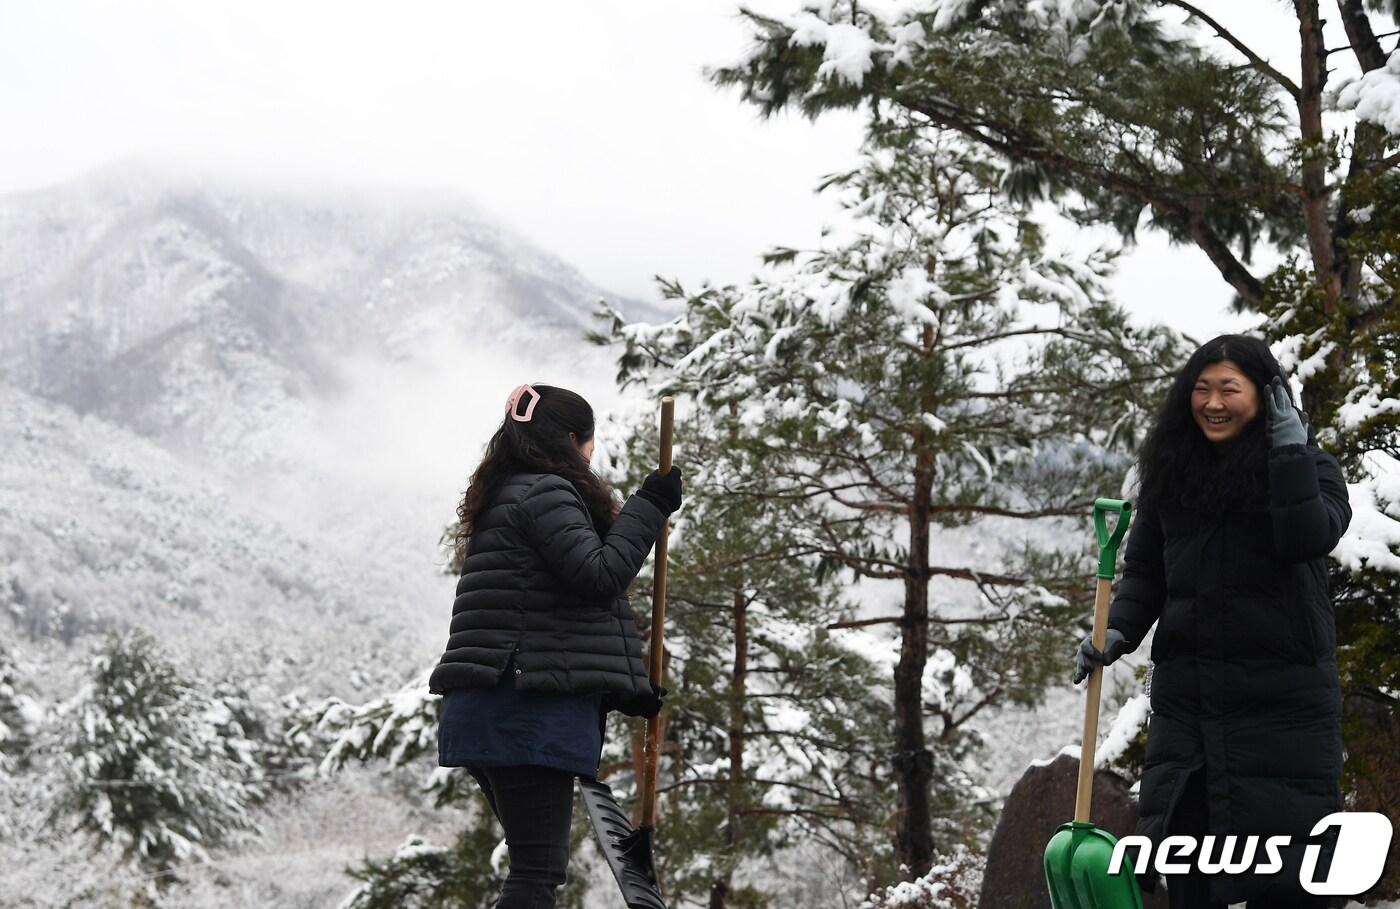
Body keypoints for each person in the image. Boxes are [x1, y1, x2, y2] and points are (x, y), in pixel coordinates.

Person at [1072, 335, 1351, 908]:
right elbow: (1148, 572)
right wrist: (1118, 630)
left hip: (1282, 713)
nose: (1213, 403)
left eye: (1230, 389)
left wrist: (1288, 455)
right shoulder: (1174, 478)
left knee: (1290, 875)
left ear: (1266, 395)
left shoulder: (1313, 469)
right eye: (1202, 389)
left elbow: (1309, 537)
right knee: (1191, 872)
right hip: (1192, 712)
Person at [428, 382, 682, 909]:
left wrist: (623, 689)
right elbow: (598, 575)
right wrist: (649, 508)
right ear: (572, 439)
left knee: (533, 869)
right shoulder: (544, 491)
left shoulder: (507, 494)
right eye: (590, 442)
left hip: (499, 705)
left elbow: (551, 619)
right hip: (521, 711)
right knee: (536, 874)